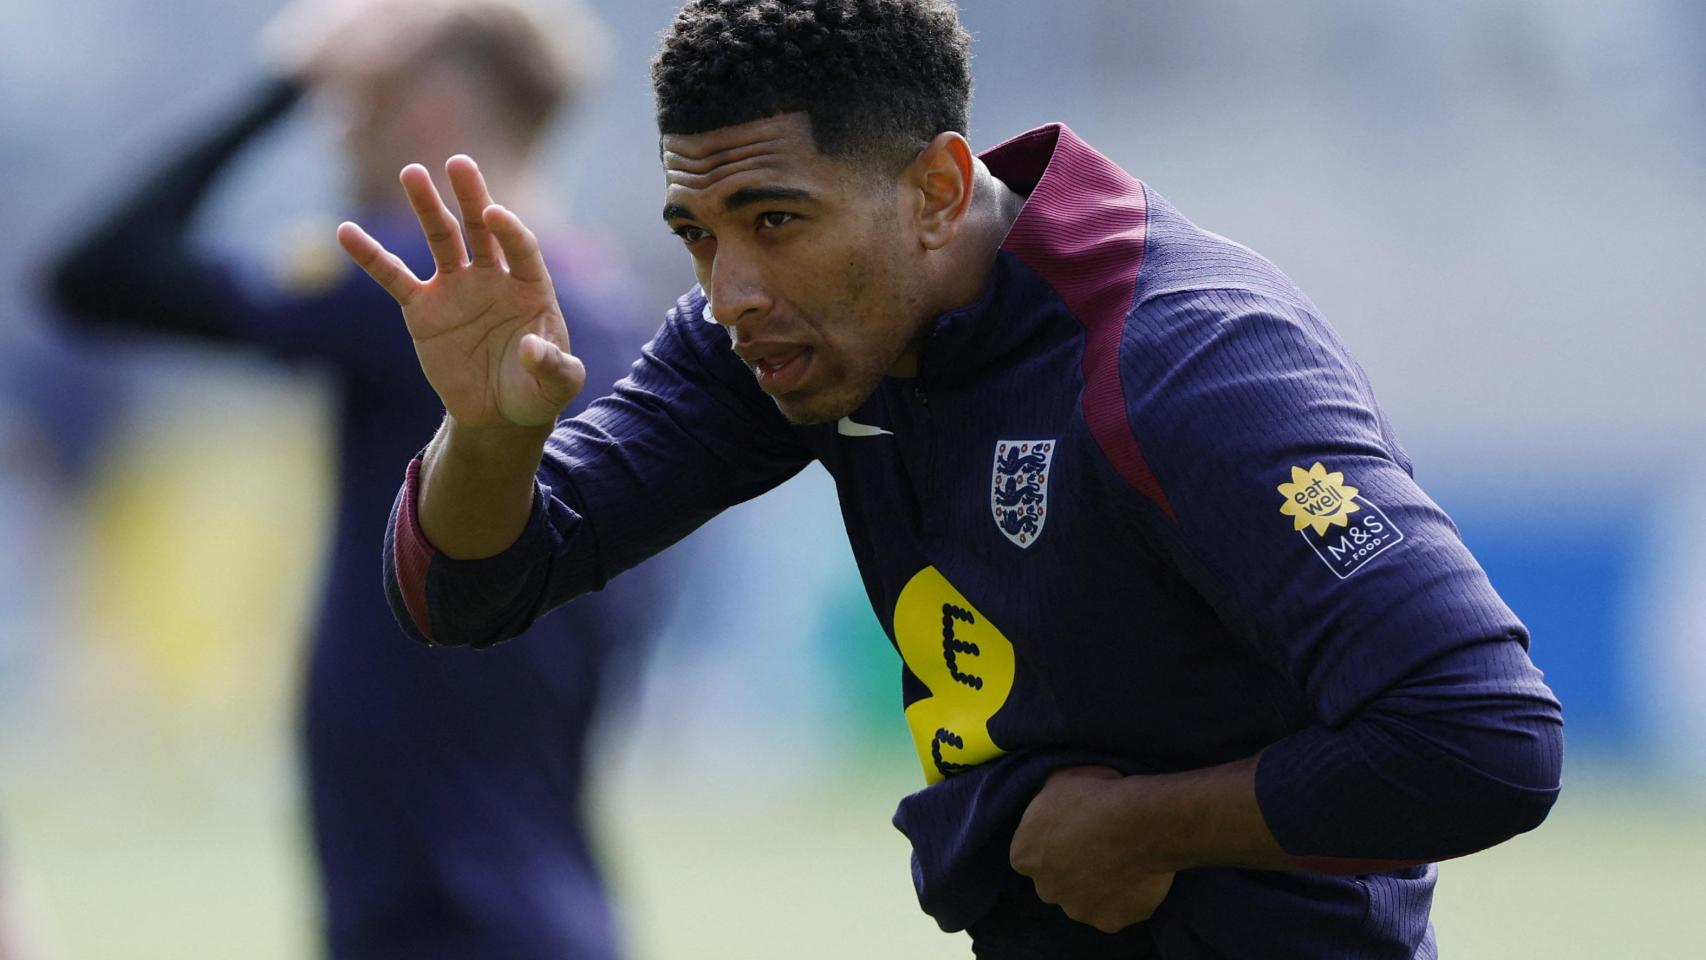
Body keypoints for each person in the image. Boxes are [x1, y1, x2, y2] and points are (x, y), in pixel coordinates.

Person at [340, 0, 1566, 955]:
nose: (729, 291)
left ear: (933, 190)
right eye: (695, 234)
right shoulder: (783, 338)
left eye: (774, 221)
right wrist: (490, 434)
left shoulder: (1183, 362)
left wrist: (1144, 824)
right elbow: (467, 591)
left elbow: (1483, 738)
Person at [47, 2, 662, 957]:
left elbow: (98, 275)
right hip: (537, 893)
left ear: (432, 113)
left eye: (356, 104)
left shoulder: (419, 283)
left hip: (439, 907)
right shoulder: (611, 310)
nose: (338, 133)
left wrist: (280, 84)